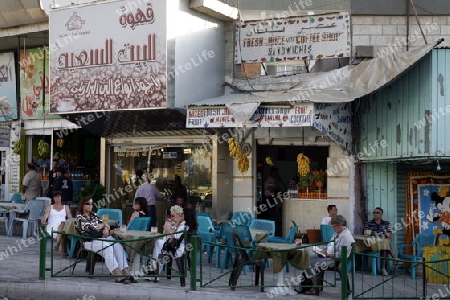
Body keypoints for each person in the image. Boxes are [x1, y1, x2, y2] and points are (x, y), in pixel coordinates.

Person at [77, 196, 136, 284]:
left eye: (91, 204)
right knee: (107, 247)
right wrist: (101, 229)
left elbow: (104, 224)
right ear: (82, 205)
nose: (90, 205)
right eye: (87, 204)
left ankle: (126, 271)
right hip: (89, 241)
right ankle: (117, 274)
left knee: (117, 245)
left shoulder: (94, 215)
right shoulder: (80, 217)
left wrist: (103, 227)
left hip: (102, 238)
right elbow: (91, 232)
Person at [303, 214, 355, 295]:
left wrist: (327, 255)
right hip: (329, 256)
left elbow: (341, 255)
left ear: (340, 225)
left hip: (336, 260)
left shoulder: (345, 237)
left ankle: (315, 286)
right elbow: (330, 245)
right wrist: (323, 250)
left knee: (308, 262)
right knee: (307, 258)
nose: (333, 228)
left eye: (335, 226)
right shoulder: (337, 233)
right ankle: (315, 284)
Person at [150, 205, 186, 283]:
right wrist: (166, 227)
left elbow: (173, 239)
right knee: (159, 245)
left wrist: (174, 226)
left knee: (158, 243)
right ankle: (155, 271)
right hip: (173, 247)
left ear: (179, 216)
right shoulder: (178, 224)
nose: (172, 218)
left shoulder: (182, 226)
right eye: (171, 216)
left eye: (173, 216)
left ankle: (155, 271)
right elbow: (166, 236)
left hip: (177, 249)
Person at [363, 207, 395, 276]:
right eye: (374, 212)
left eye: (377, 213)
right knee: (385, 245)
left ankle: (383, 269)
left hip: (382, 244)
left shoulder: (386, 223)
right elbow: (365, 234)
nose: (375, 214)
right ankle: (394, 258)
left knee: (385, 247)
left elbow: (390, 236)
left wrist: (387, 235)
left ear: (381, 214)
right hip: (372, 243)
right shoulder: (368, 223)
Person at [41, 190, 73, 258]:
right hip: (52, 227)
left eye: (58, 197)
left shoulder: (66, 207)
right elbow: (46, 215)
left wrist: (72, 221)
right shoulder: (50, 207)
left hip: (63, 226)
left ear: (61, 197)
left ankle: (58, 245)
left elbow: (70, 217)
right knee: (63, 229)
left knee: (63, 224)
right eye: (55, 197)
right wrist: (43, 220)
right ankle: (62, 251)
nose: (57, 199)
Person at [264, 167, 286, 235]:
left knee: (272, 214)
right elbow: (271, 189)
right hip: (270, 198)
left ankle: (271, 231)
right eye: (276, 173)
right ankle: (272, 232)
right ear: (272, 172)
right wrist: (277, 189)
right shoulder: (270, 179)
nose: (276, 174)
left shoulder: (270, 179)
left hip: (269, 198)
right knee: (272, 215)